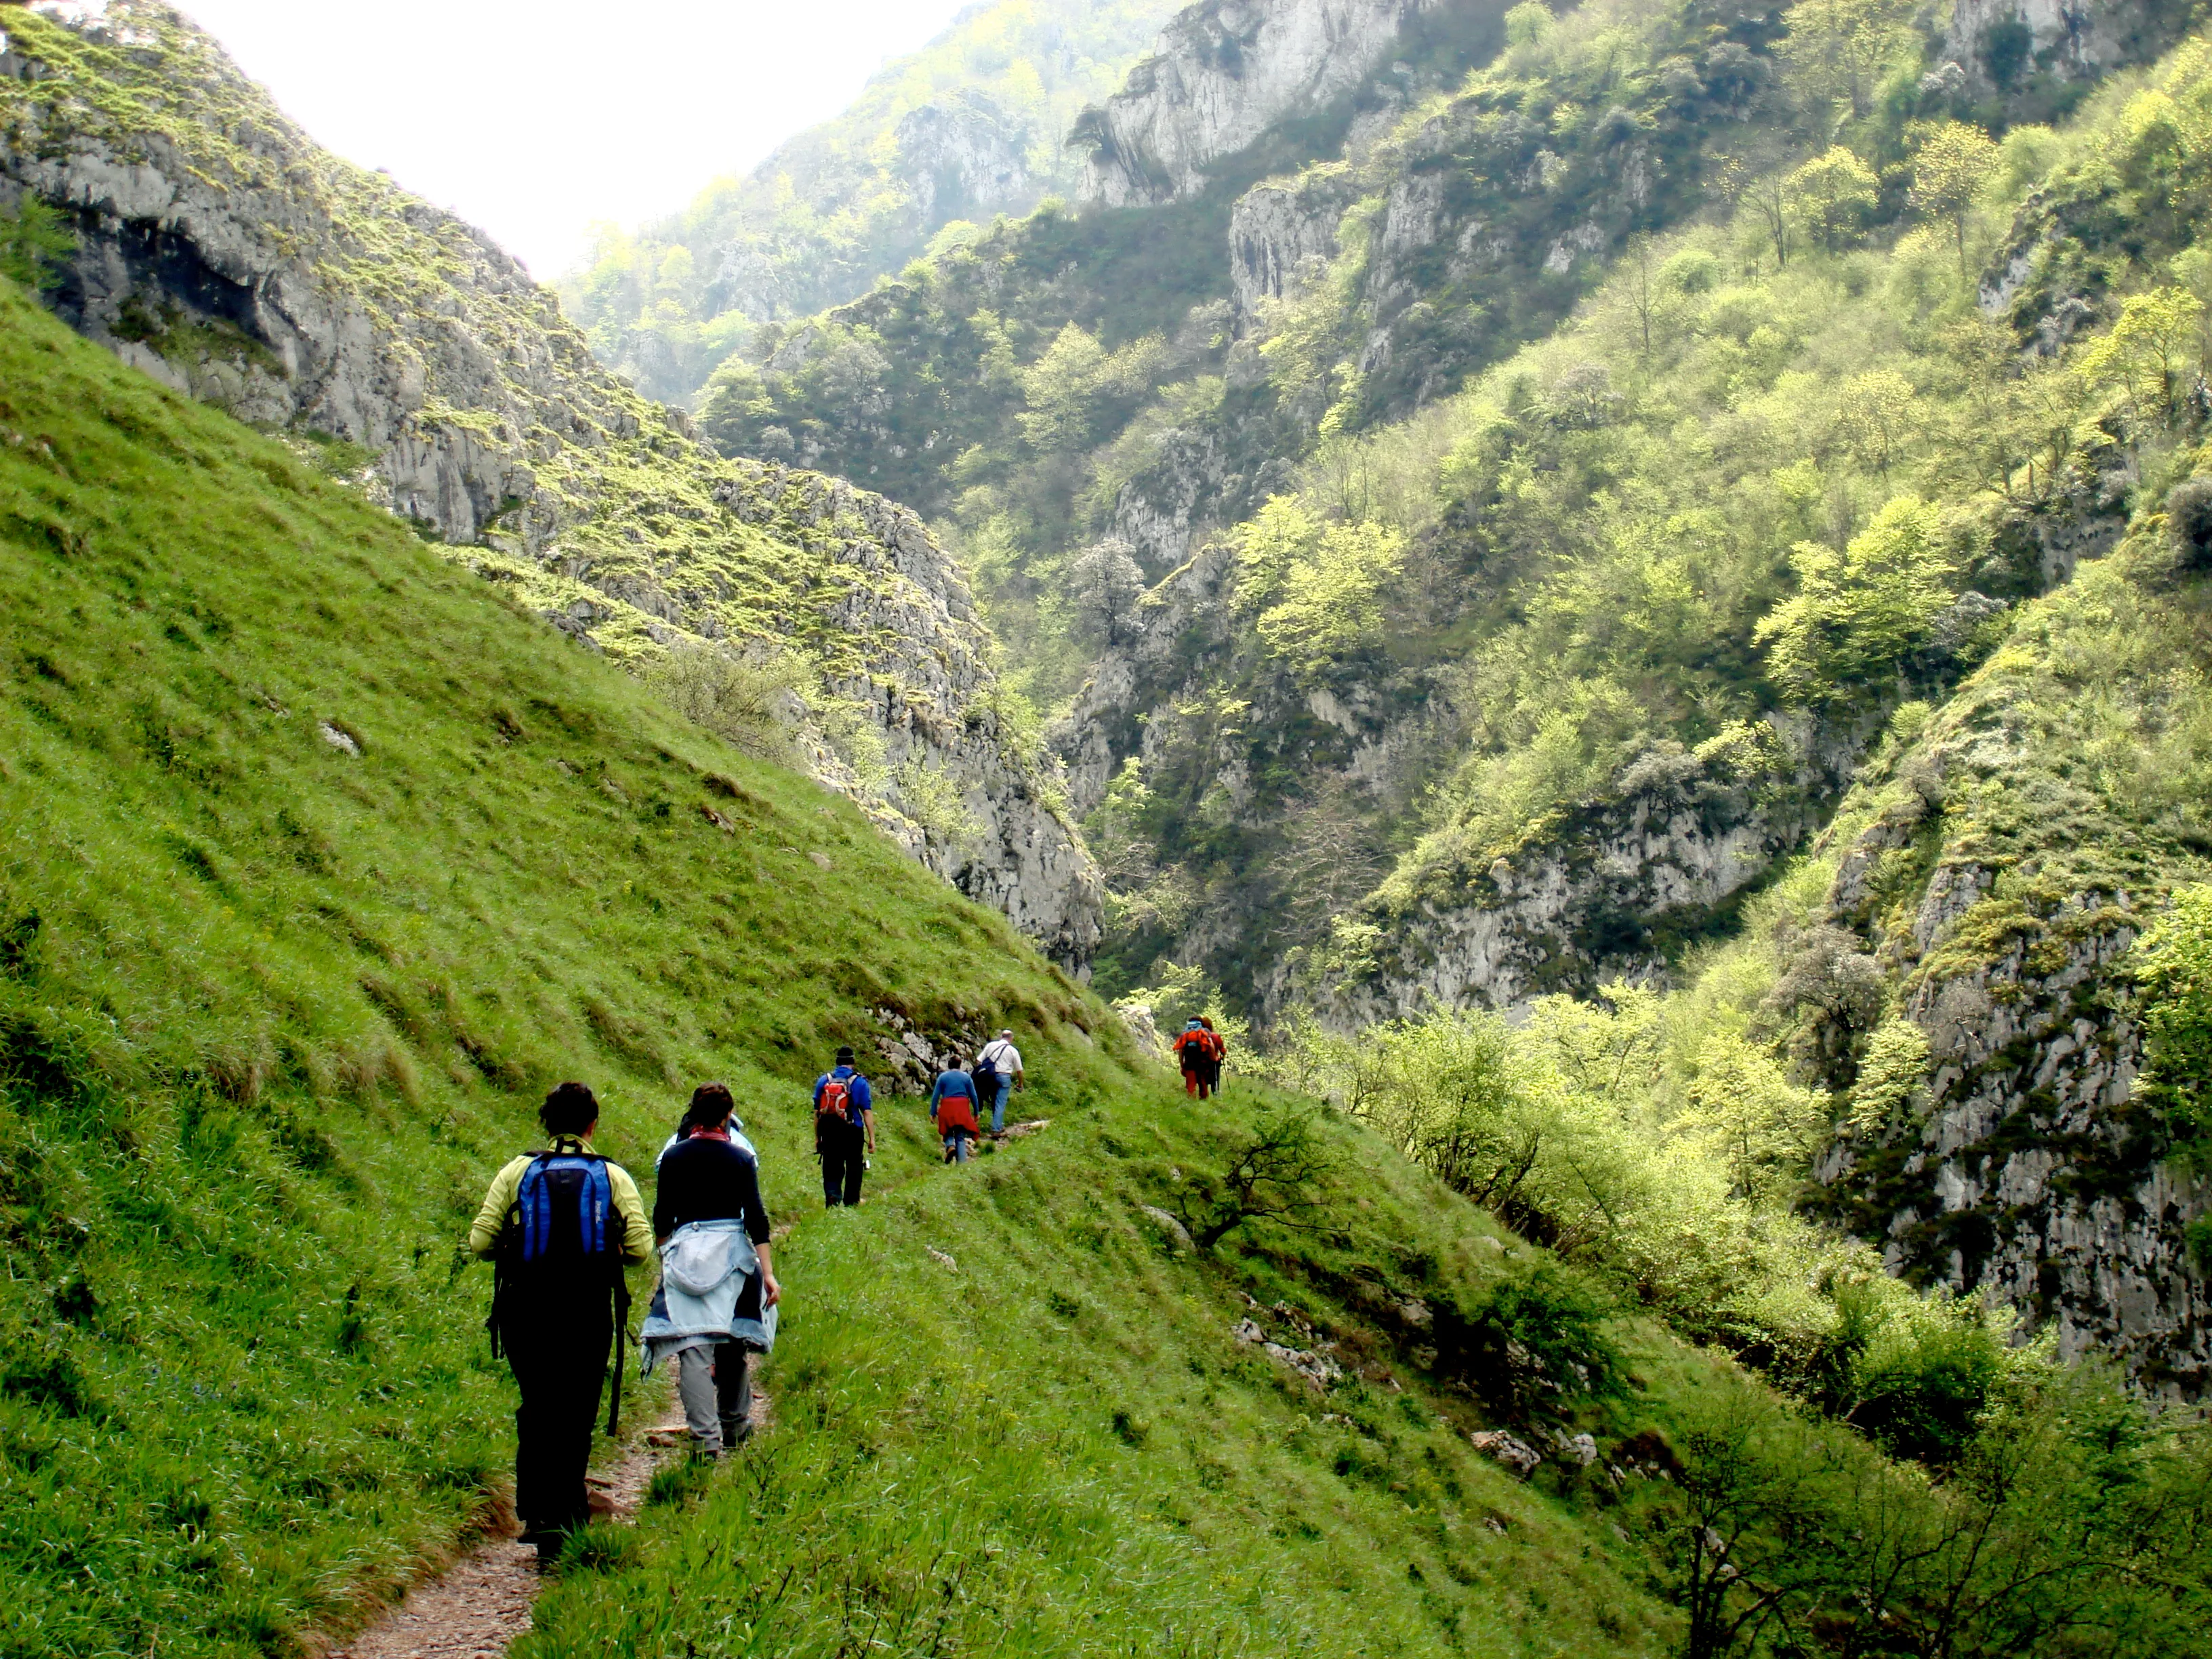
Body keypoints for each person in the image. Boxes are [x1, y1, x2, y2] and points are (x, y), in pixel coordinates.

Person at [470, 1081, 653, 1562]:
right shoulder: (612, 1176)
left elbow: (481, 1243)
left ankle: (536, 1511)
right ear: (593, 1125)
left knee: (538, 1404)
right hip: (587, 1309)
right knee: (576, 1410)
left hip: (526, 1307)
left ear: (546, 1124)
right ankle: (568, 1516)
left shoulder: (516, 1172)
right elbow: (640, 1249)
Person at [645, 1083, 779, 1457]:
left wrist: (666, 1253)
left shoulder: (673, 1158)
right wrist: (767, 1273)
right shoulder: (740, 1159)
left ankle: (704, 1440)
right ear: (727, 1117)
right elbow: (756, 1218)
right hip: (732, 1256)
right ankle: (735, 1426)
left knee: (692, 1347)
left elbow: (661, 1216)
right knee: (733, 1340)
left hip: (686, 1251)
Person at [813, 1046, 875, 1207]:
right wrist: (871, 1139)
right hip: (852, 1130)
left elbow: (817, 1113)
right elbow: (867, 1112)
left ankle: (833, 1198)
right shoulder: (860, 1082)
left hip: (829, 1130)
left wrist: (817, 1138)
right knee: (854, 1166)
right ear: (853, 1062)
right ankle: (851, 1202)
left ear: (837, 1062)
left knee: (831, 1165)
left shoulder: (824, 1081)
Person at [929, 1057, 982, 1164]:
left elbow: (935, 1096)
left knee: (947, 1131)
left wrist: (933, 1112)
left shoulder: (943, 1077)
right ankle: (961, 1165)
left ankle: (950, 1146)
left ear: (949, 1065)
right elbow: (973, 1096)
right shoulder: (967, 1078)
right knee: (960, 1137)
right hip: (962, 1108)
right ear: (960, 1065)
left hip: (947, 1107)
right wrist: (977, 1112)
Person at [974, 1028, 1025, 1136]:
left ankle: (997, 1124)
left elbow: (979, 1060)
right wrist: (1020, 1084)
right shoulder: (1013, 1050)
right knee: (1000, 1103)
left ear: (1001, 1037)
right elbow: (1019, 1070)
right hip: (1004, 1077)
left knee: (993, 1101)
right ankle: (996, 1129)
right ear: (1011, 1038)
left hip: (989, 1077)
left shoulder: (990, 1046)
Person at [1172, 1018, 1215, 1099]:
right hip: (1203, 1063)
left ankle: (1192, 1103)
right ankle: (1203, 1103)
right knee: (1203, 1084)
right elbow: (1211, 1046)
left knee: (1191, 1086)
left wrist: (1182, 1064)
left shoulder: (1185, 1033)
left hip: (1189, 1063)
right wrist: (1212, 1059)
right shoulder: (1205, 1031)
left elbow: (1181, 1050)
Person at [1199, 1015, 1227, 1097]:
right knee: (1215, 1081)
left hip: (1201, 1062)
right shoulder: (1216, 1036)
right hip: (1214, 1063)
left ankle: (1203, 1096)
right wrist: (1222, 1057)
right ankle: (1216, 1094)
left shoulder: (1199, 1036)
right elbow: (1223, 1051)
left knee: (1203, 1081)